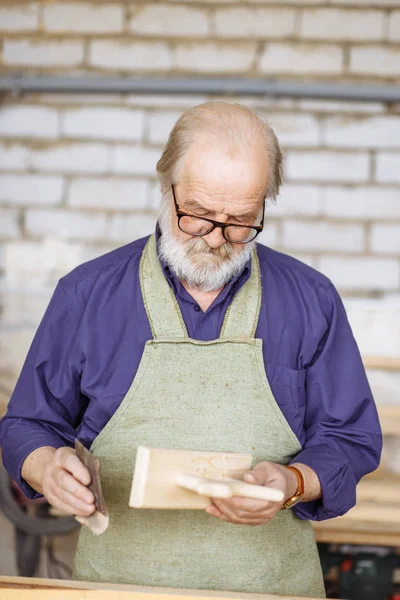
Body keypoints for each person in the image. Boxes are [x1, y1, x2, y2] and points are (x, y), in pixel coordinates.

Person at [0, 103, 381, 598]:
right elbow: (27, 424)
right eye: (198, 216)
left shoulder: (311, 300)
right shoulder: (87, 294)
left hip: (271, 588)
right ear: (166, 187)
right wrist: (46, 467)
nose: (217, 240)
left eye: (241, 221)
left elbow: (350, 438)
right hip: (118, 589)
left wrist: (291, 481)